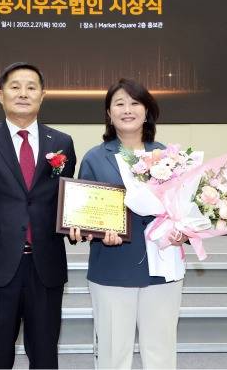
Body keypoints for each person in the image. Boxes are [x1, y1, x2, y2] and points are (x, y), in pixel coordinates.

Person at [0, 62, 76, 369]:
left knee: (45, 357)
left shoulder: (61, 143)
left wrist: (80, 226)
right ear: (0, 95)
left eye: (31, 87)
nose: (23, 93)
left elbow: (65, 204)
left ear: (42, 95)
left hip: (45, 268)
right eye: (15, 87)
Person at [70, 78, 188, 369]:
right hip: (113, 268)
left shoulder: (169, 156)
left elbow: (184, 210)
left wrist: (183, 232)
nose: (127, 110)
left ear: (147, 111)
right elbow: (84, 214)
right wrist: (93, 232)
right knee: (112, 354)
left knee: (161, 352)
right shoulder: (95, 158)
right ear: (109, 114)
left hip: (163, 267)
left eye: (135, 103)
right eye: (119, 104)